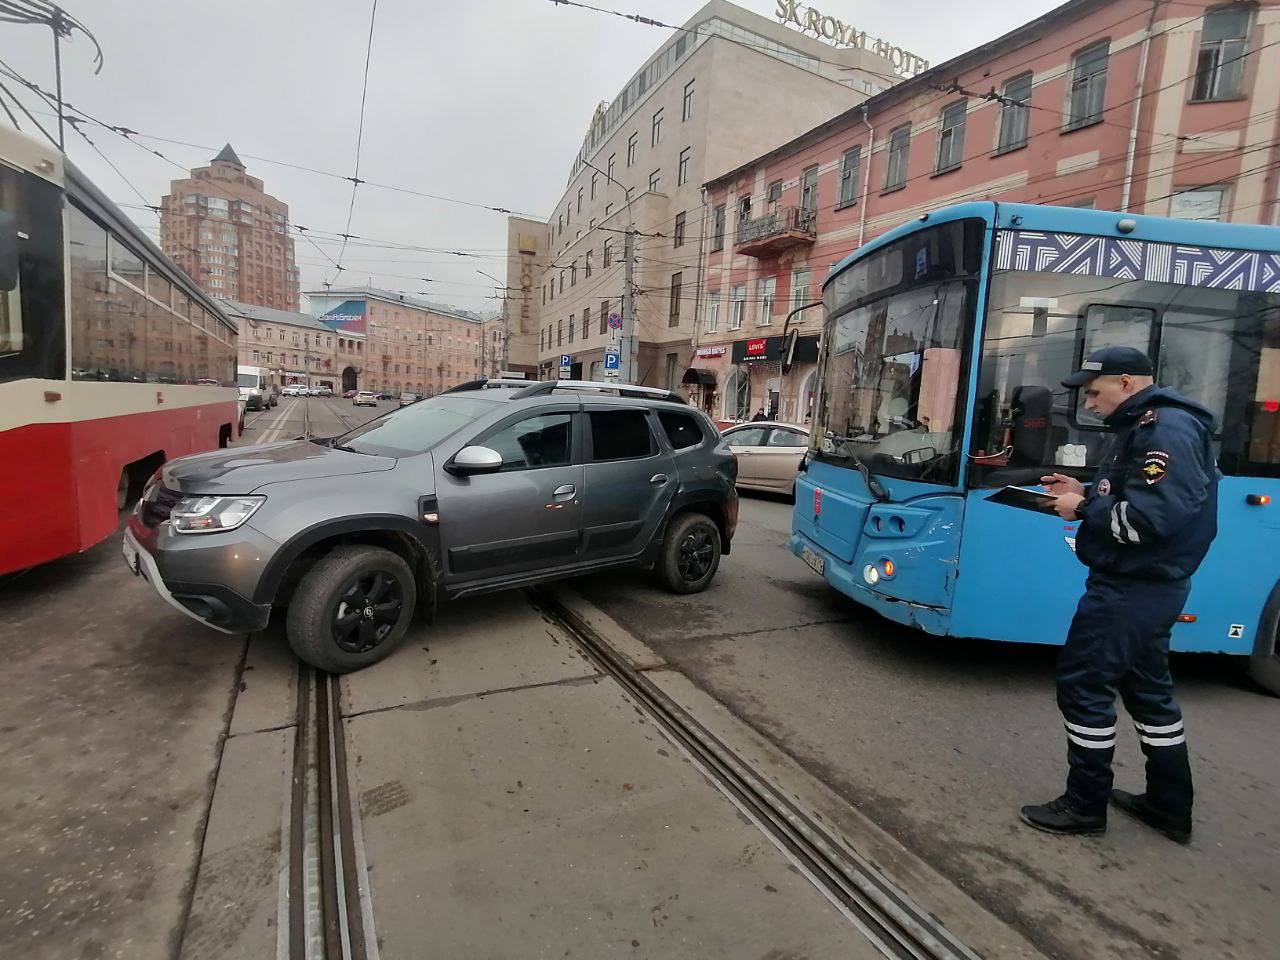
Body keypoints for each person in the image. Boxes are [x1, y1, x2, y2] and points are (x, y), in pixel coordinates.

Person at [1021, 346, 1218, 844]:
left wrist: (1082, 505)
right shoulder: (1144, 425)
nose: (1087, 403)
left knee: (1084, 688)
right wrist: (1082, 488)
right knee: (1148, 692)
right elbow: (1136, 497)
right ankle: (1168, 806)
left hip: (1131, 588)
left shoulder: (1162, 429)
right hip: (1148, 586)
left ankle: (1084, 805)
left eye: (1094, 391)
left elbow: (1150, 522)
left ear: (1127, 384)